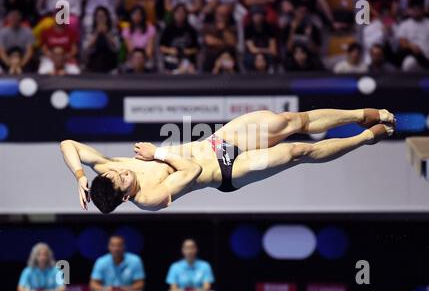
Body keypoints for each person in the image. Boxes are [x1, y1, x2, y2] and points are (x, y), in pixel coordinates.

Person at [60, 108, 395, 213]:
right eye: (122, 179)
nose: (122, 170)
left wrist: (78, 176)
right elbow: (191, 171)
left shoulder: (106, 172)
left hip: (218, 142)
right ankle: (365, 137)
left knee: (289, 122)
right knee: (297, 151)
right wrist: (157, 154)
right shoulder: (148, 199)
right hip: (228, 170)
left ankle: (361, 114)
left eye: (117, 171)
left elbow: (68, 143)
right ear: (124, 196)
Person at [160, 4, 199, 73]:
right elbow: (161, 47)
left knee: (190, 68)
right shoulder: (168, 29)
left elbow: (197, 48)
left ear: (186, 15)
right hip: (172, 58)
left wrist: (187, 51)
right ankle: (178, 71)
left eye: (182, 13)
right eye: (178, 12)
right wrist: (170, 50)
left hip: (187, 59)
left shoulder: (191, 30)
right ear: (174, 14)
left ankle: (178, 71)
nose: (180, 15)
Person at [395, 0, 429, 71]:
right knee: (408, 63)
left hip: (427, 54)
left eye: (418, 9)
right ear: (409, 10)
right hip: (414, 56)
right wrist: (411, 46)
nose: (416, 11)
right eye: (413, 9)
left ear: (423, 10)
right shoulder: (405, 24)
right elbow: (402, 42)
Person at [83, 6, 120, 73]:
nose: (101, 19)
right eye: (98, 16)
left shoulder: (113, 31)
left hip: (110, 62)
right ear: (95, 18)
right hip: (94, 62)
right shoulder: (90, 31)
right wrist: (97, 33)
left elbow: (117, 47)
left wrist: (106, 33)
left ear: (107, 18)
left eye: (103, 16)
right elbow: (86, 48)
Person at [244, 5, 277, 71]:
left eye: (259, 14)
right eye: (255, 15)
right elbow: (252, 49)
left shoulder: (270, 28)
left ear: (263, 16)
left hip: (267, 54)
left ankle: (272, 75)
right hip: (254, 54)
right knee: (248, 59)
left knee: (272, 57)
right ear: (252, 16)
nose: (257, 17)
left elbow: (273, 49)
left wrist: (262, 52)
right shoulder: (248, 29)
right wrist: (264, 51)